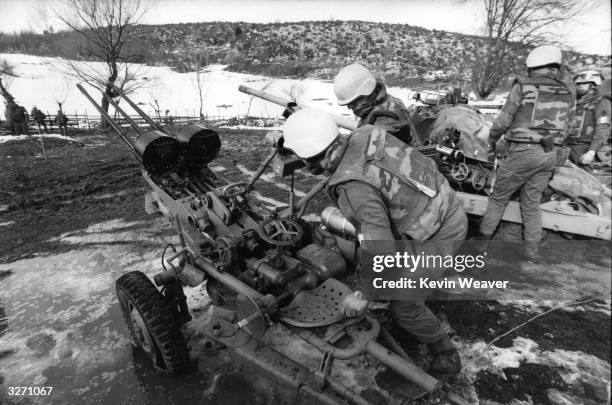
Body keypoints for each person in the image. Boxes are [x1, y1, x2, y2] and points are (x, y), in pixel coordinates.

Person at [282, 108, 468, 378]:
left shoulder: (352, 188)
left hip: (440, 233)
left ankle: (446, 354)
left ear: (309, 159)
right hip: (442, 206)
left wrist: (363, 294)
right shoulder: (364, 134)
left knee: (403, 305)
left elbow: (381, 248)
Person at [477, 45, 575, 259]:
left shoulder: (523, 85)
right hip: (549, 155)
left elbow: (503, 121)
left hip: (523, 152)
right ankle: (532, 254)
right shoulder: (568, 91)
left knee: (498, 199)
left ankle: (478, 248)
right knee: (531, 204)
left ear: (533, 65)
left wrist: (492, 141)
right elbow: (571, 126)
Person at [333, 63, 422, 146]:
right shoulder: (383, 103)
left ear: (366, 92)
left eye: (353, 102)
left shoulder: (385, 119)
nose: (349, 107)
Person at [566, 71, 611, 166]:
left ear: (594, 84)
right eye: (578, 83)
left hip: (583, 147)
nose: (579, 85)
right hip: (568, 145)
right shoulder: (575, 101)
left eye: (583, 83)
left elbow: (602, 127)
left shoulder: (602, 102)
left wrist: (592, 151)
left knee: (584, 176)